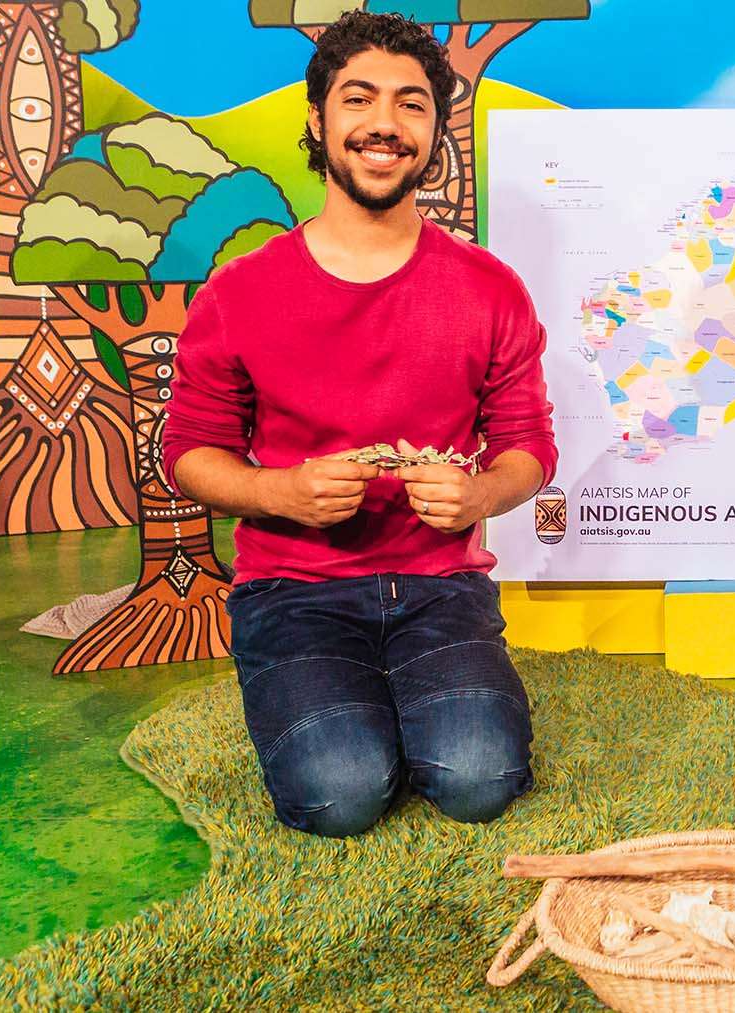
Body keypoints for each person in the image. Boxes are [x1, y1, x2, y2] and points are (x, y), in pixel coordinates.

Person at [161, 12, 556, 838]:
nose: (385, 124)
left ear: (436, 129)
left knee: (480, 780)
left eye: (413, 104)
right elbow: (189, 454)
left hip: (442, 587)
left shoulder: (489, 290)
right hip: (293, 590)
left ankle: (410, 699)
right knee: (339, 796)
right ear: (318, 120)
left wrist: (477, 491)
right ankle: (338, 707)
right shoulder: (240, 291)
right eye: (359, 99)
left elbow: (529, 448)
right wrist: (282, 492)